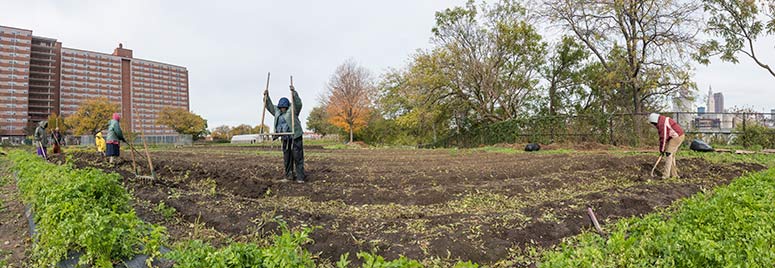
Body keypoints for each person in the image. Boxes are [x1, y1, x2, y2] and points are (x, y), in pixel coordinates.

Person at [264, 84, 305, 183]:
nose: (282, 109)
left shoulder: (292, 110)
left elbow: (298, 104)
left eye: (284, 108)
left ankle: (300, 178)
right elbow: (269, 106)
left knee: (297, 157)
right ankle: (288, 176)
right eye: (281, 107)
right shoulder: (277, 112)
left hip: (295, 137)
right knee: (287, 159)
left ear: (287, 107)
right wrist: (266, 97)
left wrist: (294, 93)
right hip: (285, 138)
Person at [649, 113, 685, 179]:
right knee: (671, 156)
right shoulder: (662, 120)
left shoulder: (662, 124)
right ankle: (674, 175)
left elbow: (664, 137)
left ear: (655, 121)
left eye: (653, 123)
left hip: (677, 137)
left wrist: (662, 150)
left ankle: (666, 175)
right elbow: (666, 137)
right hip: (673, 137)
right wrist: (663, 148)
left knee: (668, 154)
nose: (654, 125)